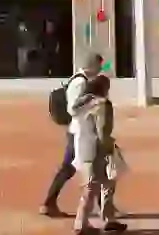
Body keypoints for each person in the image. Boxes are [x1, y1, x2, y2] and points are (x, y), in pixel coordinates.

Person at [41, 53, 104, 217]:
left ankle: (104, 205)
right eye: (99, 66)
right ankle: (49, 202)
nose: (100, 70)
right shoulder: (80, 82)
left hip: (81, 130)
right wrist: (92, 103)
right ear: (92, 65)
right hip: (78, 131)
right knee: (80, 168)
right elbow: (73, 109)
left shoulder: (82, 81)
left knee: (87, 167)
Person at [71, 74, 127, 234]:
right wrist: (109, 148)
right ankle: (81, 223)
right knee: (94, 185)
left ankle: (109, 218)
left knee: (105, 182)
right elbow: (103, 130)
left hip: (83, 147)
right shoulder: (102, 104)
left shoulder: (82, 104)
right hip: (97, 148)